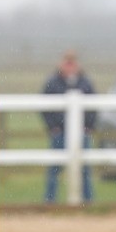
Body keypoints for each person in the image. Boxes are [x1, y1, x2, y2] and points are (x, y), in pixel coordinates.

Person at [41, 51, 97, 203]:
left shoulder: (85, 82)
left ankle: (88, 201)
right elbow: (44, 107)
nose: (70, 66)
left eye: (72, 63)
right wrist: (53, 127)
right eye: (67, 62)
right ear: (61, 63)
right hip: (59, 133)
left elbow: (93, 107)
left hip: (81, 133)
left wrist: (88, 127)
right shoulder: (52, 83)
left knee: (84, 168)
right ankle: (49, 201)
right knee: (55, 168)